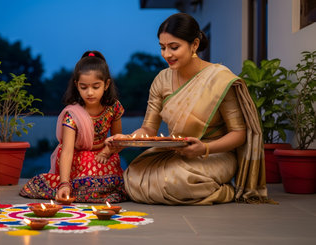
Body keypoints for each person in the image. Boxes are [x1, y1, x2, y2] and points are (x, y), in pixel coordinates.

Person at [107, 13, 271, 205]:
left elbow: (239, 134)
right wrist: (127, 140)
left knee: (175, 182)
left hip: (214, 154)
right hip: (178, 152)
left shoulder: (219, 79)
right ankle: (200, 189)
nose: (167, 54)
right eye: (162, 47)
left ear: (194, 45)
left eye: (174, 47)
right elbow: (148, 130)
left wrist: (205, 148)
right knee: (133, 176)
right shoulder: (162, 79)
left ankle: (224, 191)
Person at [19, 50, 127, 203]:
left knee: (113, 170)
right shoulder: (73, 114)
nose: (90, 93)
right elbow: (67, 150)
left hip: (104, 156)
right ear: (77, 85)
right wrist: (63, 184)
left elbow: (118, 141)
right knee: (86, 164)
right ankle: (73, 187)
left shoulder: (113, 107)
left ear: (106, 84)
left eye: (96, 87)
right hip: (78, 158)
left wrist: (108, 151)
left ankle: (88, 189)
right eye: (84, 87)